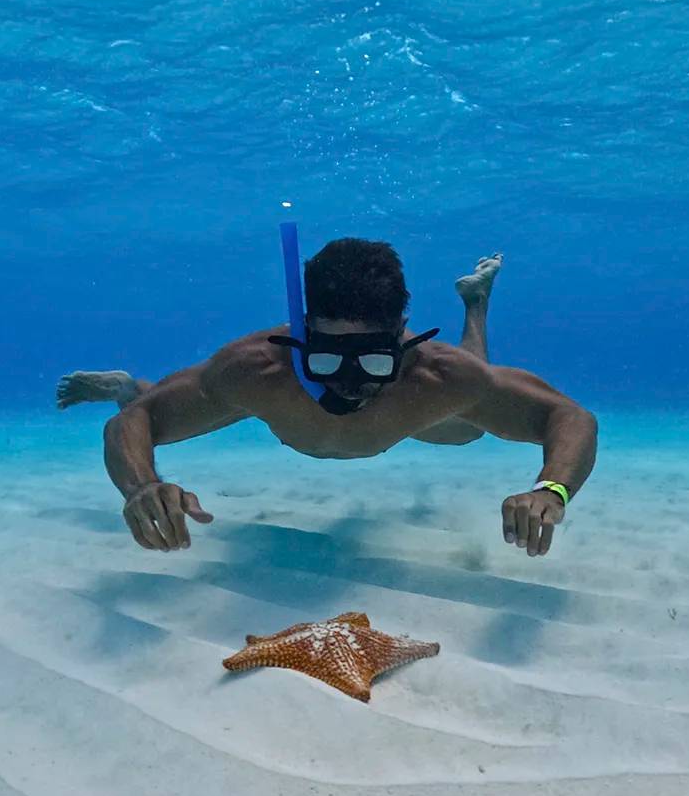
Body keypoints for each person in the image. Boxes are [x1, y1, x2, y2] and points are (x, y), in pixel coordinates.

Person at [57, 240, 597, 560]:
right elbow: (138, 420)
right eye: (326, 359)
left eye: (374, 362)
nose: (348, 382)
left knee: (470, 422)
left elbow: (568, 416)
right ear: (302, 331)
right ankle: (125, 382)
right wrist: (142, 487)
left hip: (414, 411)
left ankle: (475, 305)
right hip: (276, 406)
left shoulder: (436, 376)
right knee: (151, 406)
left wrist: (553, 488)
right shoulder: (256, 369)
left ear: (403, 337)